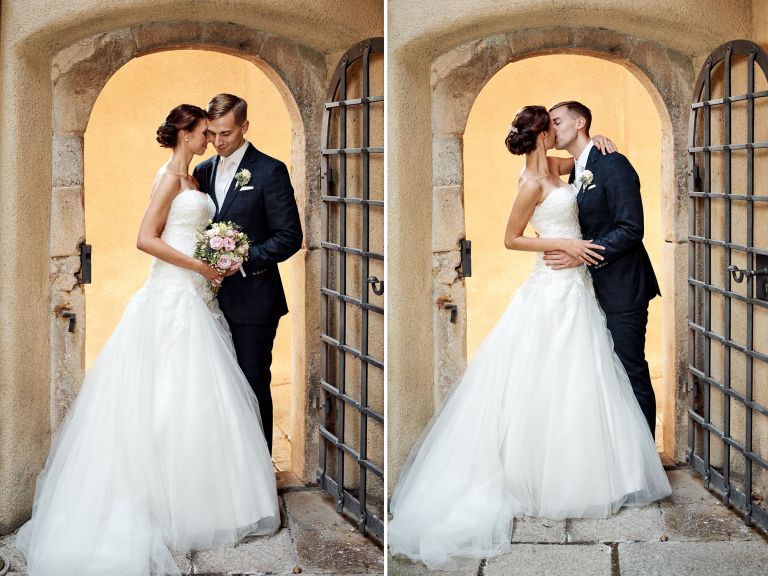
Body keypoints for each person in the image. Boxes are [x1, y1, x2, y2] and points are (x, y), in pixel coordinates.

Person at [387, 105, 671, 570]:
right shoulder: (532, 181)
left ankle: (627, 468)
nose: (555, 130)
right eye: (550, 124)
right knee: (552, 374)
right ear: (542, 134)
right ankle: (551, 471)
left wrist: (601, 141)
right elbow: (510, 238)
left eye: (561, 121)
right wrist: (565, 245)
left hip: (588, 283)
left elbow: (600, 189)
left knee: (605, 372)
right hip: (557, 282)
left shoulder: (573, 165)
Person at [16, 104, 280, 576]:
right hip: (173, 294)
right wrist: (203, 266)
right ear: (185, 134)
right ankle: (162, 501)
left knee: (198, 398)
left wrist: (219, 258)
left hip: (200, 297)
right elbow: (145, 238)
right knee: (166, 394)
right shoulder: (169, 179)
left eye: (216, 133)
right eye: (203, 133)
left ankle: (201, 498)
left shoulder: (197, 179)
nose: (210, 142)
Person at [193, 93, 303, 454]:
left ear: (244, 127)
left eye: (226, 132)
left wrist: (239, 260)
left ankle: (259, 473)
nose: (218, 141)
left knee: (252, 383)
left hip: (254, 300)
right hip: (206, 301)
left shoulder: (270, 171)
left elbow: (289, 237)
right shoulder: (203, 171)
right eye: (212, 133)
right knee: (214, 388)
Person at [545, 100, 661, 437]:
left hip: (624, 286)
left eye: (557, 121)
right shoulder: (576, 167)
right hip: (589, 287)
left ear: (579, 122)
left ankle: (645, 469)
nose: (552, 128)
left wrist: (581, 255)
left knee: (630, 371)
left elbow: (630, 228)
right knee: (605, 374)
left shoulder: (613, 164)